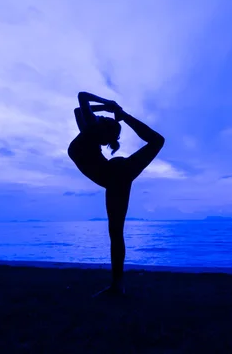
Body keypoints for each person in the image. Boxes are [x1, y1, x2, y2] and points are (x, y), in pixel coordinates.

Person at [68, 91, 165, 296]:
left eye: (103, 120)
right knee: (115, 233)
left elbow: (82, 97)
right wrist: (109, 109)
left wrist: (110, 105)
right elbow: (79, 109)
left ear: (102, 131)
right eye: (102, 117)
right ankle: (117, 285)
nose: (101, 117)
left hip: (118, 176)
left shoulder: (91, 132)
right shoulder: (89, 132)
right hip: (116, 174)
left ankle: (117, 286)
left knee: (116, 232)